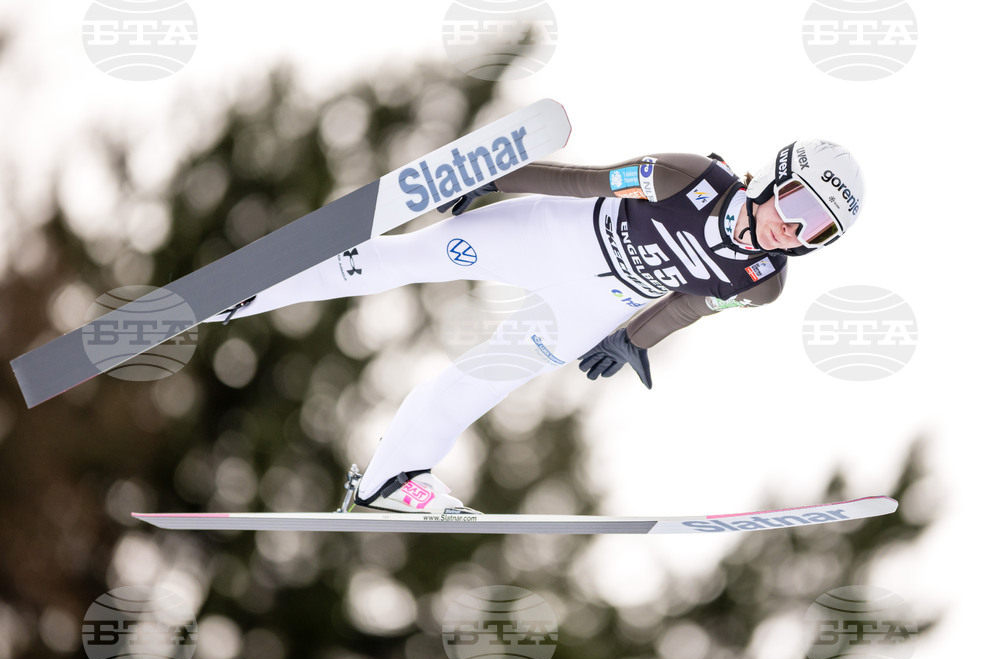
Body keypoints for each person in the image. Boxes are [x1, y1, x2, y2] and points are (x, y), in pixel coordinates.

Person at [211, 139, 866, 514]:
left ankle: (392, 479)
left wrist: (632, 341)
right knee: (405, 260)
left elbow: (692, 303)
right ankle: (252, 287)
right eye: (800, 204)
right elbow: (586, 180)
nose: (796, 227)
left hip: (596, 304)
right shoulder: (689, 177)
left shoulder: (764, 283)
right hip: (554, 237)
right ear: (778, 180)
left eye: (817, 228)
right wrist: (498, 179)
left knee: (484, 379)